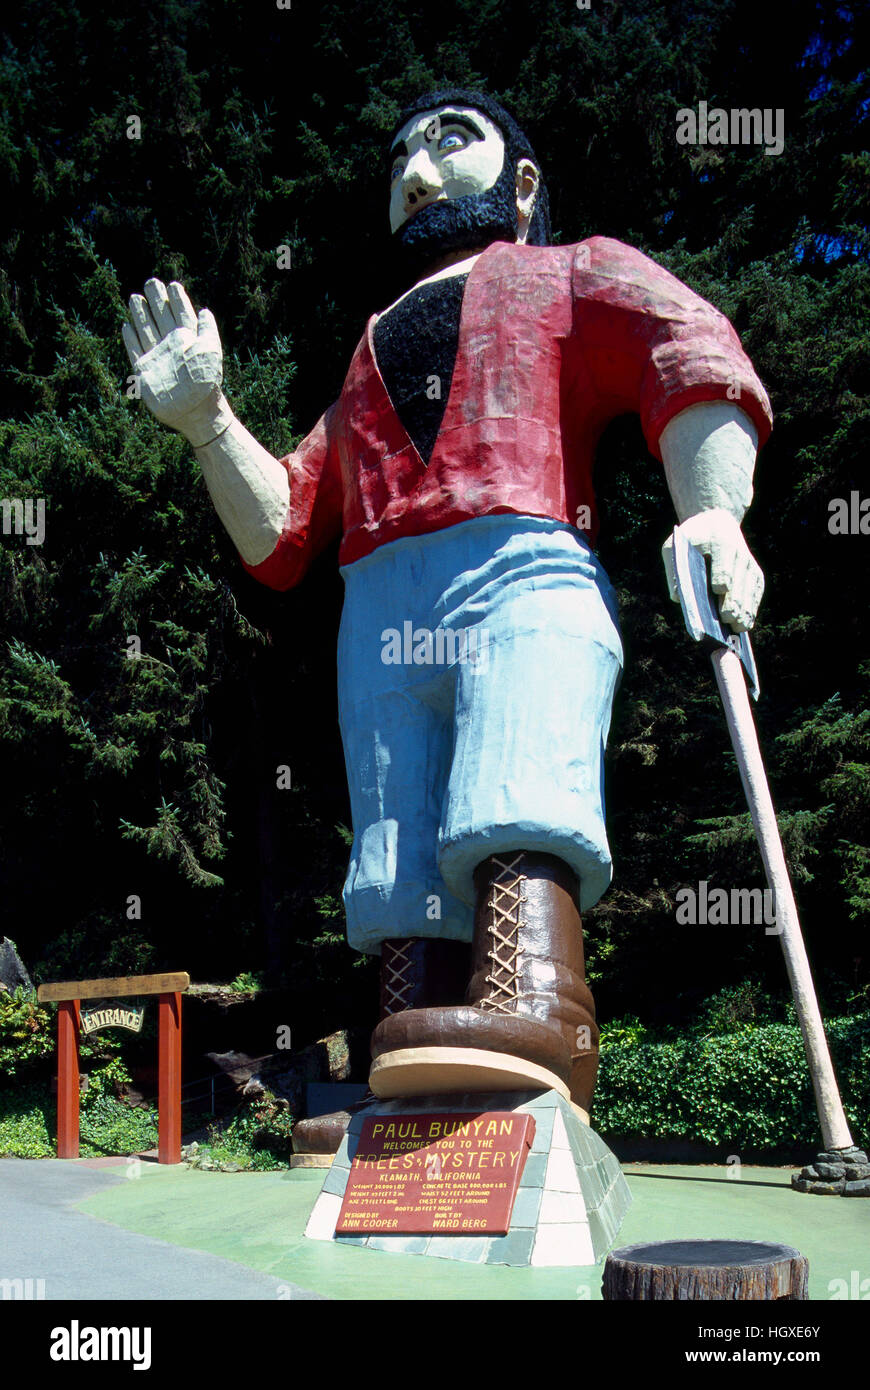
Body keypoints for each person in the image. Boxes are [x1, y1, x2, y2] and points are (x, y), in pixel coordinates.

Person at [123, 88, 772, 1151]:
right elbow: (285, 527)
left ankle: (537, 1009)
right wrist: (207, 423)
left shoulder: (568, 273)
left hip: (521, 562)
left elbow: (684, 345)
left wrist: (712, 507)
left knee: (517, 772)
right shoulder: (369, 352)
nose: (416, 169)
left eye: (448, 140)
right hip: (379, 597)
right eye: (400, 158)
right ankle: (404, 1062)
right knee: (395, 832)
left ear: (521, 182)